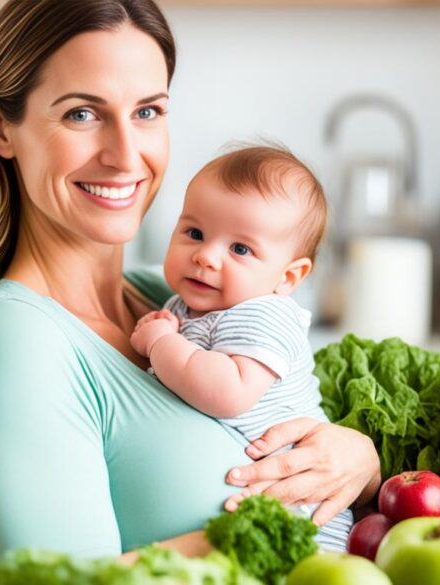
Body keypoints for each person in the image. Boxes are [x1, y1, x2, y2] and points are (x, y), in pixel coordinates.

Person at [0, 0, 440, 572]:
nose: (127, 153)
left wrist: (357, 459)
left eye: (148, 111)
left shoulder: (174, 297)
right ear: (0, 126)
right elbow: (67, 584)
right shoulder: (6, 346)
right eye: (81, 114)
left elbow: (290, 411)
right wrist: (277, 520)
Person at [129, 145, 352, 550]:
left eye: (240, 249)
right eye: (194, 233)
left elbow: (227, 392)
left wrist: (161, 343)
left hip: (305, 515)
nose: (206, 256)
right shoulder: (188, 305)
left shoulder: (264, 313)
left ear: (288, 277)